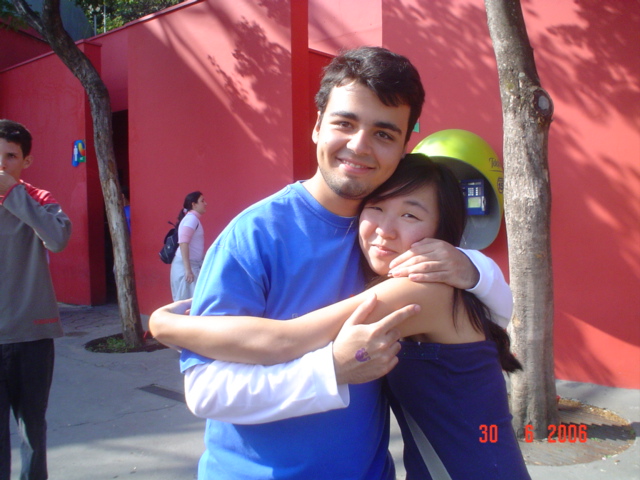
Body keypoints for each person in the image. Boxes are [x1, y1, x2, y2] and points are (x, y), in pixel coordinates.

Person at [150, 46, 512, 480]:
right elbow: (206, 392)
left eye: (383, 134)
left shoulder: (388, 244)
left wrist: (473, 268)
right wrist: (330, 371)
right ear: (317, 125)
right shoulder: (254, 235)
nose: (359, 146)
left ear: (403, 147)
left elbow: (488, 316)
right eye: (345, 123)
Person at [0, 119, 72, 480]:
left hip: (32, 335)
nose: (1, 164)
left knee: (32, 428)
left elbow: (58, 239)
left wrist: (13, 194)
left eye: (10, 156)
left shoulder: (39, 199)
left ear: (26, 161)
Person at [170, 191, 206, 301]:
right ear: (194, 205)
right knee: (188, 304)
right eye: (202, 201)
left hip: (190, 265)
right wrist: (188, 270)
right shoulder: (191, 219)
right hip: (186, 267)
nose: (205, 203)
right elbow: (183, 243)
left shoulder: (192, 219)